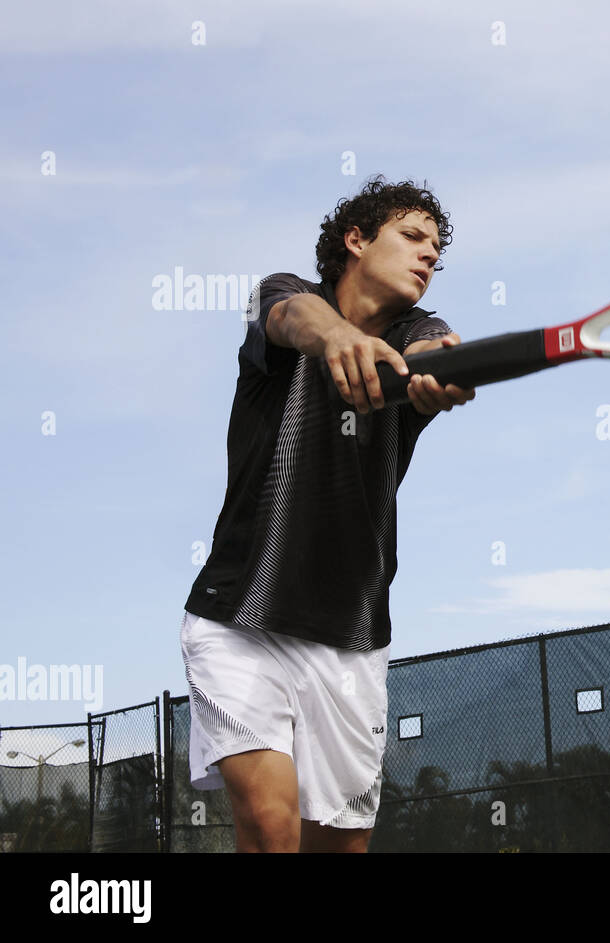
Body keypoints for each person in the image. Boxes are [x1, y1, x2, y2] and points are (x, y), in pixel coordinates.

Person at [179, 176, 473, 852]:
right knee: (272, 825)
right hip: (237, 621)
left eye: (437, 248)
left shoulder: (414, 335)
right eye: (412, 236)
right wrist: (337, 337)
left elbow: (435, 351)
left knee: (336, 848)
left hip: (350, 641)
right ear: (356, 239)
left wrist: (437, 369)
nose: (428, 254)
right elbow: (291, 318)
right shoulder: (285, 301)